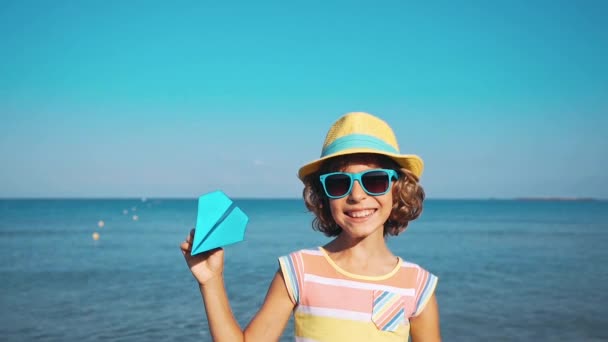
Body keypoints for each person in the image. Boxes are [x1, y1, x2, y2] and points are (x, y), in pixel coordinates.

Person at [181, 112, 441, 341]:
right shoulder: (299, 271)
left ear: (397, 190)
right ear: (323, 195)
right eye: (340, 183)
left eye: (374, 181)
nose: (357, 195)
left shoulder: (417, 285)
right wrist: (211, 281)